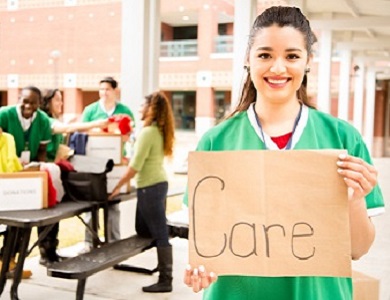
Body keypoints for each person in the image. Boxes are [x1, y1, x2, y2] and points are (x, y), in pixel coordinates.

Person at [183, 6, 385, 300]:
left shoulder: (343, 139)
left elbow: (358, 249)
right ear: (248, 61)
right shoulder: (215, 142)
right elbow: (208, 245)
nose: (278, 68)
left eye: (291, 56)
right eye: (265, 55)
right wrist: (200, 269)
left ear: (307, 63)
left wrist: (356, 199)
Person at [109, 91, 175, 293]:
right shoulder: (155, 130)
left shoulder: (148, 132)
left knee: (159, 232)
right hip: (156, 184)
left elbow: (135, 166)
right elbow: (142, 155)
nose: (139, 109)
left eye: (142, 105)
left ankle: (166, 280)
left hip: (150, 187)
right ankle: (165, 227)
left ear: (151, 108)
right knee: (143, 229)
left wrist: (116, 187)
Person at [0, 86, 52, 278]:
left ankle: (9, 261)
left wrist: (37, 169)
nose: (28, 105)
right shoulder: (4, 115)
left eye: (33, 102)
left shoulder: (43, 120)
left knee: (21, 223)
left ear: (39, 103)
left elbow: (42, 153)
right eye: (25, 100)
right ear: (19, 99)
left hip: (23, 177)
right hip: (4, 175)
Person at [81, 76, 135, 250]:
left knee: (113, 205)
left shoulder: (125, 111)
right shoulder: (90, 111)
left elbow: (131, 136)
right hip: (94, 163)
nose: (104, 93)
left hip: (116, 164)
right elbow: (82, 134)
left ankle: (113, 243)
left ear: (115, 91)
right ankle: (89, 242)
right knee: (91, 206)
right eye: (101, 89)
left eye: (107, 89)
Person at [41, 88, 108, 162]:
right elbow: (67, 128)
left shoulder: (54, 121)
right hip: (49, 165)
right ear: (47, 102)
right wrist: (96, 123)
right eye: (57, 100)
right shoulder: (47, 121)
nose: (61, 103)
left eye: (61, 100)